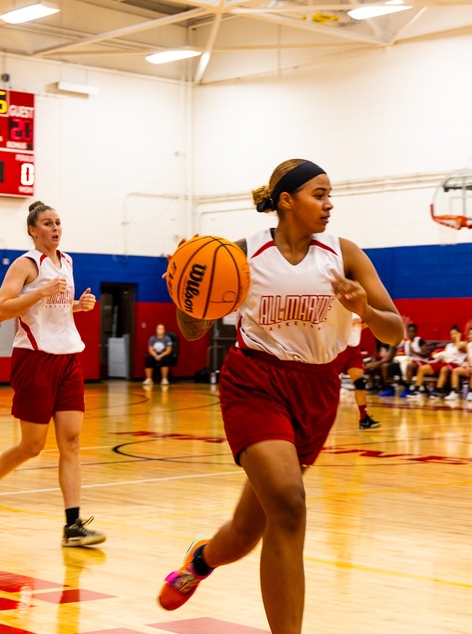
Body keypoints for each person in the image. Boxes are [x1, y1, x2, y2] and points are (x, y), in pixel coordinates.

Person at [158, 159, 404, 634]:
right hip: (255, 383)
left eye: (331, 195)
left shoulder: (345, 253)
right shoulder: (240, 254)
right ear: (287, 201)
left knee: (249, 531)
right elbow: (192, 331)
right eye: (319, 194)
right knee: (290, 506)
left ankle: (201, 560)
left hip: (318, 390)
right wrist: (186, 294)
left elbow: (394, 331)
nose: (329, 204)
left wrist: (365, 309)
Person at [0, 201, 106, 548]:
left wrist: (75, 306)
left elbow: (50, 308)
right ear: (33, 230)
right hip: (34, 358)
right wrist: (41, 290)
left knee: (71, 442)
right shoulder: (25, 264)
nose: (55, 228)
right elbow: (1, 310)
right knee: (33, 446)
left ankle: (73, 525)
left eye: (58, 222)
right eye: (47, 223)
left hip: (69, 357)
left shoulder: (67, 261)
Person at [333, 313, 381, 429]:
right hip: (339, 349)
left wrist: (369, 324)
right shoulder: (340, 308)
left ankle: (364, 418)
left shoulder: (358, 309)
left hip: (354, 351)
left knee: (360, 382)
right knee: (330, 383)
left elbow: (358, 326)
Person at [411, 326, 466, 397]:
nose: (453, 336)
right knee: (422, 368)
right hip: (444, 362)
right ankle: (417, 391)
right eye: (451, 334)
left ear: (459, 334)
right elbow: (446, 355)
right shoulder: (449, 346)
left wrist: (458, 338)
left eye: (455, 334)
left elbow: (459, 348)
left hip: (455, 364)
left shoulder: (463, 344)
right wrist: (441, 358)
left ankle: (437, 391)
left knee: (444, 369)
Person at [446, 324, 472, 400]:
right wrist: (468, 366)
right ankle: (454, 392)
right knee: (455, 371)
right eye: (470, 334)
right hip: (471, 366)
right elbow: (468, 359)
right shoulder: (468, 345)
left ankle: (471, 392)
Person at [144, 323, 175, 387]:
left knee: (165, 359)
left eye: (162, 329)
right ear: (156, 330)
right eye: (159, 329)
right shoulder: (152, 338)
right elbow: (150, 349)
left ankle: (164, 379)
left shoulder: (167, 338)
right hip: (155, 354)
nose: (160, 330)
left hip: (163, 354)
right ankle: (149, 379)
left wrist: (161, 355)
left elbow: (169, 350)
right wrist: (155, 355)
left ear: (164, 330)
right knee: (148, 359)